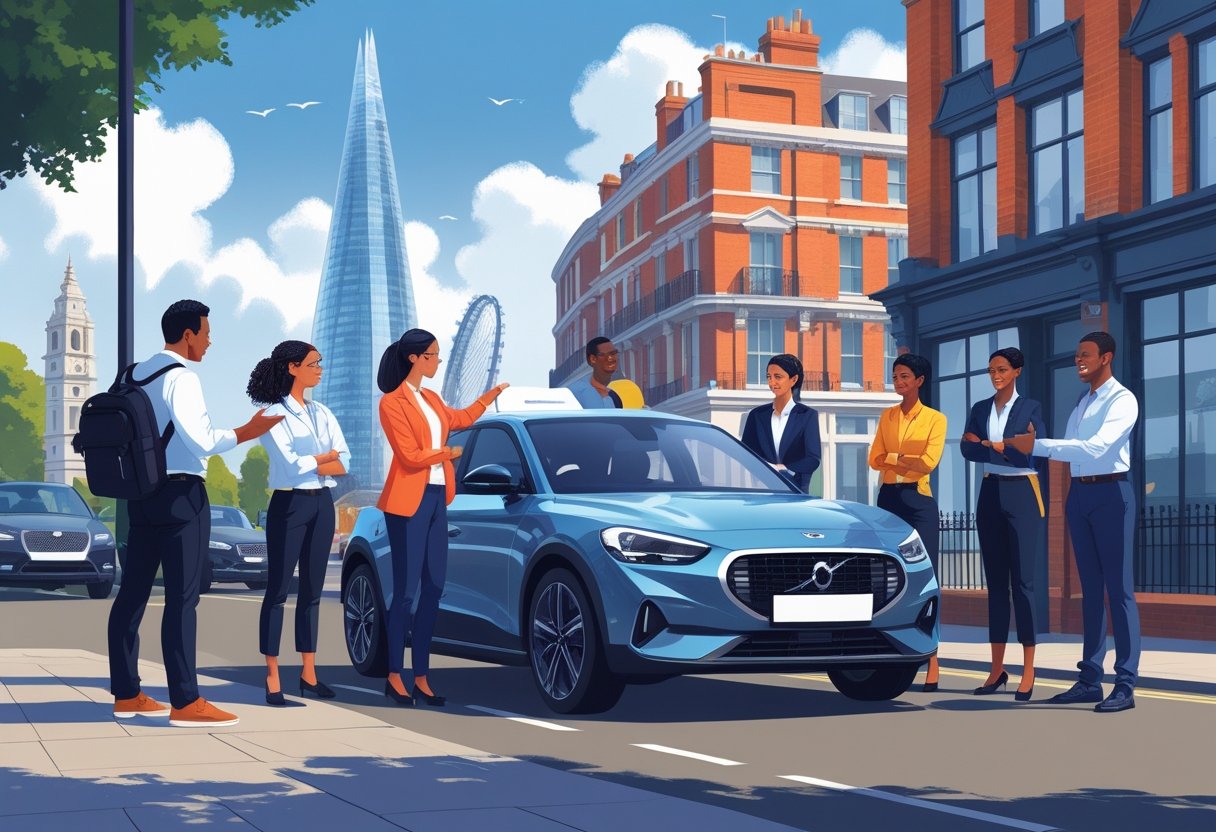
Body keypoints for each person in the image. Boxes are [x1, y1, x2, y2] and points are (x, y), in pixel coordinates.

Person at [108, 300, 282, 727]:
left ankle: (127, 693)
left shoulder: (130, 374)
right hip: (181, 495)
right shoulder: (181, 378)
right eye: (205, 333)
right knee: (182, 599)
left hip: (139, 495)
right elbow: (202, 440)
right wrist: (249, 431)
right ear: (187, 335)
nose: (209, 340)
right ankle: (186, 702)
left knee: (132, 594)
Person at [1006, 332, 1140, 713]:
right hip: (1080, 495)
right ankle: (1090, 679)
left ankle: (1126, 683)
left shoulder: (1122, 400)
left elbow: (1098, 448)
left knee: (1119, 591)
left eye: (1086, 355)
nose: (1078, 360)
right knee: (1091, 590)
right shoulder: (1082, 403)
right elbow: (1072, 451)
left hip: (1112, 495)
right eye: (1076, 355)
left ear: (1106, 357)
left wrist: (1039, 445)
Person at [376, 328, 509, 706]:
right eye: (433, 355)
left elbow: (462, 418)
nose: (438, 361)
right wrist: (447, 454)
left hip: (437, 498)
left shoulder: (432, 399)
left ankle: (421, 675)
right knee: (405, 593)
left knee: (434, 587)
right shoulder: (392, 403)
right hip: (407, 502)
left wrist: (491, 395)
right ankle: (393, 675)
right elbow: (408, 455)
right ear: (414, 358)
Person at [247, 340, 349, 706]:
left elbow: (345, 462)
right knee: (277, 591)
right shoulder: (273, 415)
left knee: (312, 592)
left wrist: (316, 459)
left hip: (323, 504)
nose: (320, 368)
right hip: (289, 505)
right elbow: (291, 466)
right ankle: (273, 676)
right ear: (293, 367)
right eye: (314, 363)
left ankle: (308, 673)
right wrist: (325, 457)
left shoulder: (323, 412)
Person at [960, 347, 1046, 701]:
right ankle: (997, 669)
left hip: (1024, 492)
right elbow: (967, 450)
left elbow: (1030, 450)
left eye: (1002, 369)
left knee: (1023, 584)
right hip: (990, 492)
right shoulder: (980, 408)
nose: (995, 375)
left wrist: (992, 445)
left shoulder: (1031, 408)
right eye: (991, 369)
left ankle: (1029, 669)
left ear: (1017, 372)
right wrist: (1003, 446)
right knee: (996, 585)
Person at [869, 353, 946, 692]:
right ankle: (886, 651)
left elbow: (928, 463)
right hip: (887, 499)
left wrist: (894, 458)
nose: (898, 382)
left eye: (904, 377)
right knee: (884, 577)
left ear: (919, 380)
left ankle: (932, 659)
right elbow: (874, 459)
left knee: (925, 580)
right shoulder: (886, 417)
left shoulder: (935, 419)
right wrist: (903, 461)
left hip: (918, 501)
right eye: (895, 376)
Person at [740, 353, 822, 492]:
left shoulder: (807, 416)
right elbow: (745, 454)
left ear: (794, 379)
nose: (772, 383)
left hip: (795, 492)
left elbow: (813, 459)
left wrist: (784, 468)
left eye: (778, 377)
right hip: (761, 491)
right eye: (769, 377)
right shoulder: (756, 416)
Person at [566, 337, 623, 409]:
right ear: (593, 359)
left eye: (613, 353)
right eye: (604, 355)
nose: (610, 358)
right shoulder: (575, 393)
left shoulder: (614, 396)